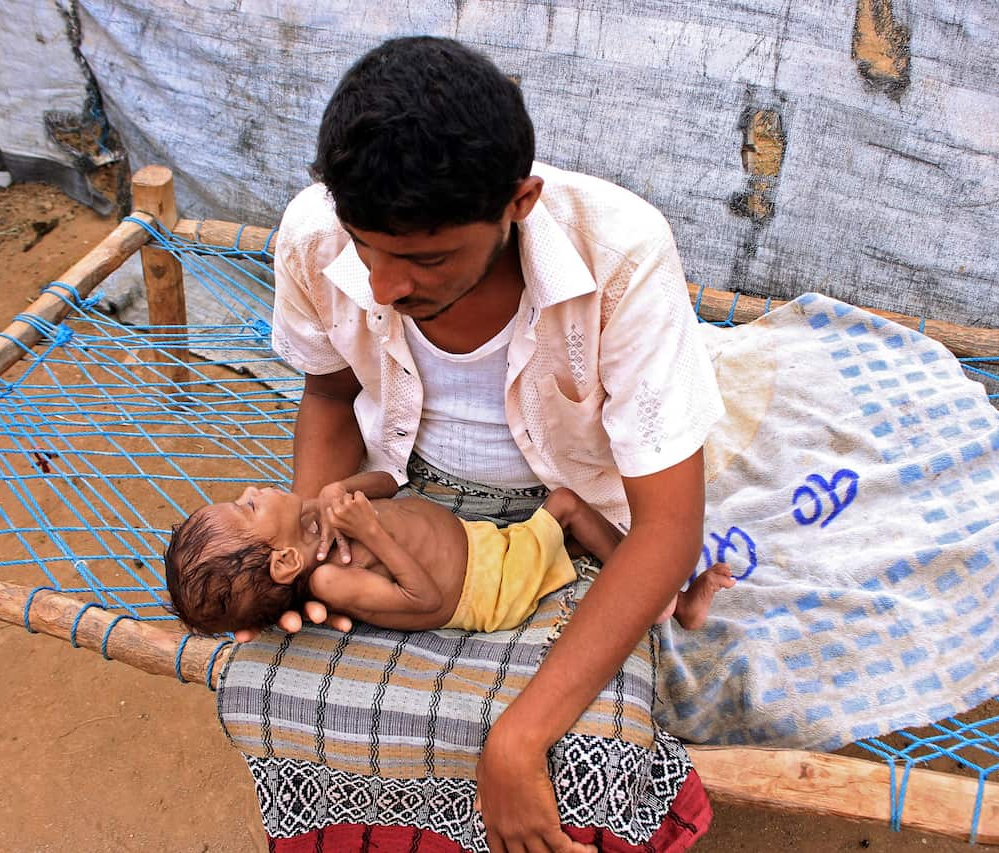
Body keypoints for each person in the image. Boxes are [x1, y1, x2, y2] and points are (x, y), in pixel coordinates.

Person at [241, 35, 725, 853]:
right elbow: (328, 393)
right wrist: (310, 536)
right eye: (368, 247)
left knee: (587, 749)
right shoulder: (313, 236)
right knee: (275, 690)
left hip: (570, 529)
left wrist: (518, 738)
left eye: (426, 257)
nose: (385, 286)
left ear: (520, 202)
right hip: (399, 504)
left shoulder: (624, 256)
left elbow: (667, 528)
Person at [165, 477, 734, 635]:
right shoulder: (333, 583)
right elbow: (427, 600)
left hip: (485, 543)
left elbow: (387, 480)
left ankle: (619, 563)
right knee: (564, 506)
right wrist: (370, 530)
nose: (253, 491)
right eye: (246, 509)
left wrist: (341, 491)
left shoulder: (320, 517)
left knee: (571, 537)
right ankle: (675, 600)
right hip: (487, 588)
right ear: (285, 563)